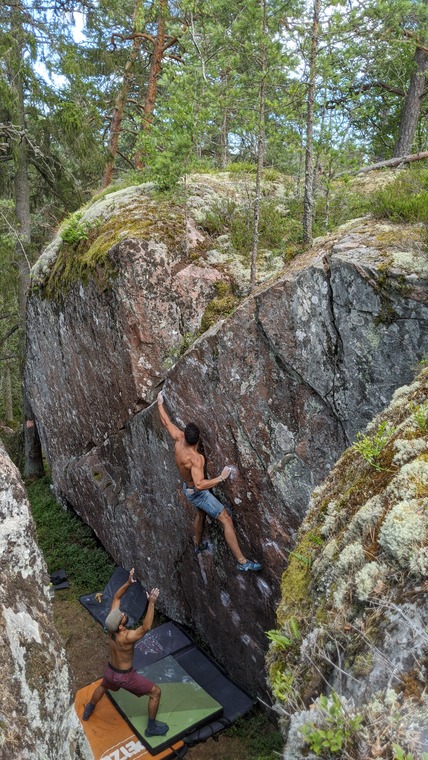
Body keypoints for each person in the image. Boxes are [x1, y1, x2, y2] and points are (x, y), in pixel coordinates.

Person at [157, 391, 261, 572]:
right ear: (197, 440)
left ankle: (197, 545)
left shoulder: (179, 439)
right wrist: (221, 477)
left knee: (201, 513)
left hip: (187, 489)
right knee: (226, 519)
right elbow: (200, 484)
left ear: (185, 435)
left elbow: (166, 422)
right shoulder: (196, 459)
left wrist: (159, 403)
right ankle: (242, 562)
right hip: (197, 492)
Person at [83, 568, 169, 737]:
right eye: (122, 615)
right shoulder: (127, 637)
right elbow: (146, 627)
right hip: (125, 677)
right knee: (156, 693)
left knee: (103, 686)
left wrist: (128, 583)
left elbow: (116, 597)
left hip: (110, 672)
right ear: (121, 625)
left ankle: (88, 709)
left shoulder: (110, 626)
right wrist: (151, 603)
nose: (122, 612)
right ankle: (151, 728)